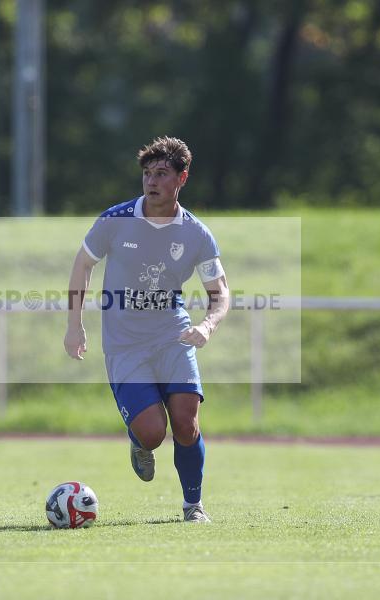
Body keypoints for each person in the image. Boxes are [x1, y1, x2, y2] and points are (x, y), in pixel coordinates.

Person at [64, 136, 230, 522]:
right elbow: (82, 266)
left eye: (161, 173)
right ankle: (139, 441)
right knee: (154, 433)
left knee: (187, 426)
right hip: (125, 345)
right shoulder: (115, 220)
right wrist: (75, 326)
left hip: (173, 335)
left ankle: (193, 506)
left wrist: (207, 325)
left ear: (181, 178)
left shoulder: (197, 234)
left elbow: (220, 293)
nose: (151, 181)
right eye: (146, 174)